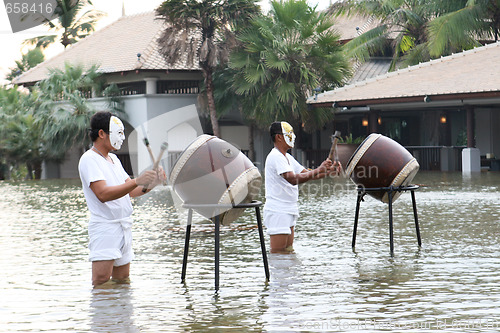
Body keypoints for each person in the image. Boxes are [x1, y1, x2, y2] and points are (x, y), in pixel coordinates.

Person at [78, 111, 165, 287]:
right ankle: (103, 315)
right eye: (118, 133)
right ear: (101, 133)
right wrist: (136, 180)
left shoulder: (114, 160)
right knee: (101, 282)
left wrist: (153, 182)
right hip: (105, 227)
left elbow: (132, 191)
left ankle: (120, 315)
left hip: (124, 226)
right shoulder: (89, 159)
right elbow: (102, 194)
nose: (123, 138)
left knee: (122, 281)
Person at [263, 121, 341, 253]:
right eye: (289, 133)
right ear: (279, 137)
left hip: (289, 209)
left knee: (288, 251)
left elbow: (308, 174)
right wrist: (319, 169)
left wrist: (329, 171)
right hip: (278, 210)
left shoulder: (287, 157)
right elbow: (293, 179)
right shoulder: (276, 156)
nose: (293, 136)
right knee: (278, 253)